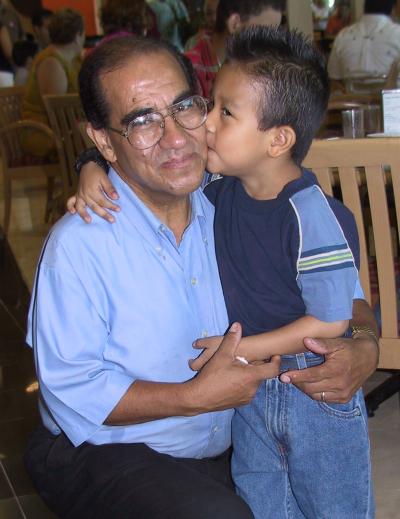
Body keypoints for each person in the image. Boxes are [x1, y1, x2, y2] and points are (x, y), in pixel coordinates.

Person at [25, 35, 280, 519]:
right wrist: (191, 398)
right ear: (103, 141)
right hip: (103, 451)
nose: (176, 138)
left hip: (224, 441)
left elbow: (324, 259)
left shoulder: (231, 206)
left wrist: (364, 340)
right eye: (142, 121)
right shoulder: (81, 245)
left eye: (184, 108)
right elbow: (72, 389)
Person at [191, 25, 374, 518]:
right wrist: (91, 167)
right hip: (249, 391)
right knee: (264, 503)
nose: (207, 122)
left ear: (278, 140)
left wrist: (240, 350)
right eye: (211, 106)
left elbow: (332, 322)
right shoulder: (217, 191)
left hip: (312, 384)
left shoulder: (315, 215)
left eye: (225, 112)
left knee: (335, 506)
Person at [185, 0, 284, 98]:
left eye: (274, 32)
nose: (271, 40)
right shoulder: (190, 71)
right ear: (234, 24)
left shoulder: (261, 66)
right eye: (265, 31)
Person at [21, 8, 85, 159]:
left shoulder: (73, 59)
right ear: (77, 36)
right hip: (43, 133)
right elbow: (58, 113)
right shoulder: (51, 62)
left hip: (64, 130)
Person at [328, 0, 400, 84]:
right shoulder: (397, 33)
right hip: (391, 96)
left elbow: (333, 78)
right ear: (393, 9)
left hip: (351, 96)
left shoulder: (343, 35)